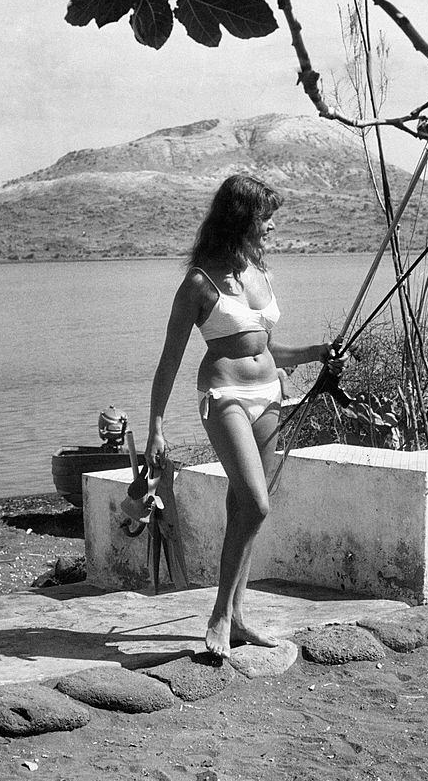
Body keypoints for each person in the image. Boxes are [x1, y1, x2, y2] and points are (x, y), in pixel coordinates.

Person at [145, 175, 344, 659]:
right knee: (257, 503)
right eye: (265, 218)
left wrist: (317, 352)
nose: (272, 227)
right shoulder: (199, 282)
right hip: (224, 394)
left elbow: (267, 347)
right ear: (241, 219)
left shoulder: (259, 271)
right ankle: (218, 615)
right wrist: (155, 427)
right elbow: (169, 359)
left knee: (244, 509)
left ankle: (237, 618)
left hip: (269, 393)